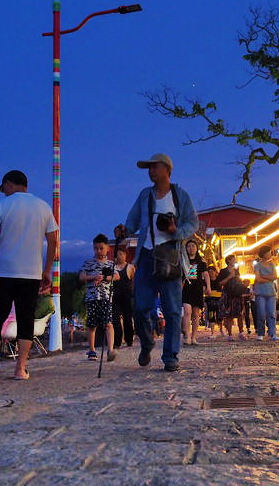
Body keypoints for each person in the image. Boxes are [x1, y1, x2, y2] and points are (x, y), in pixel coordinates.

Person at [115, 153, 198, 372]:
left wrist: (175, 231)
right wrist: (124, 230)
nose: (150, 171)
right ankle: (147, 342)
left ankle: (170, 356)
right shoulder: (145, 195)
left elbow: (193, 223)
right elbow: (132, 222)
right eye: (148, 168)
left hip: (171, 255)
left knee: (171, 311)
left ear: (167, 169)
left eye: (154, 167)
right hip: (147, 256)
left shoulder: (180, 195)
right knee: (141, 308)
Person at [0, 170, 57, 381]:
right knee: (26, 319)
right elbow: (52, 241)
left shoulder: (1, 206)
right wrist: (47, 270)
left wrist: (6, 244)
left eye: (4, 187)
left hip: (3, 270)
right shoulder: (43, 207)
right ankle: (20, 368)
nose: (3, 192)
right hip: (31, 273)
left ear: (9, 184)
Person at [79, 234, 119, 362]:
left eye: (101, 248)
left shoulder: (110, 264)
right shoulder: (88, 263)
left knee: (108, 323)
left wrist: (104, 278)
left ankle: (110, 349)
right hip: (92, 298)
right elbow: (82, 276)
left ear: (107, 248)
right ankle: (92, 350)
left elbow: (117, 276)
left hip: (106, 298)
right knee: (92, 324)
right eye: (96, 248)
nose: (98, 251)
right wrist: (93, 277)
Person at [182, 240, 211, 345]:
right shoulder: (183, 260)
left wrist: (208, 287)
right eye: (188, 246)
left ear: (197, 248)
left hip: (197, 289)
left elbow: (206, 275)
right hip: (186, 289)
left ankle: (194, 337)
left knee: (195, 313)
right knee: (187, 312)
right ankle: (187, 336)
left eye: (193, 246)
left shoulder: (201, 261)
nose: (191, 248)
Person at [217, 255, 248, 340]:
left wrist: (243, 285)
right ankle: (230, 334)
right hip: (228, 294)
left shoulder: (236, 271)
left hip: (237, 294)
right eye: (234, 259)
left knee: (240, 314)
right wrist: (229, 277)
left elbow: (239, 281)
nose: (236, 261)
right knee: (229, 315)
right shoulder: (223, 271)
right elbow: (220, 283)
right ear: (229, 261)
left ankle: (241, 332)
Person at [252, 245, 279, 341]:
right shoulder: (257, 265)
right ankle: (260, 333)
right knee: (261, 313)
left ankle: (273, 333)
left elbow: (275, 276)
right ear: (264, 253)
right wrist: (269, 277)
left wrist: (264, 277)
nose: (270, 254)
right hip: (260, 292)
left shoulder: (272, 265)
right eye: (269, 252)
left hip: (271, 292)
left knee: (271, 314)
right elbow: (257, 279)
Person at [112, 247, 135, 348]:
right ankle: (117, 342)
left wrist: (134, 294)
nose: (119, 256)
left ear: (125, 255)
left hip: (127, 296)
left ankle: (129, 340)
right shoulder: (113, 267)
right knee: (115, 319)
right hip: (115, 296)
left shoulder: (130, 267)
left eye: (121, 254)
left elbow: (134, 281)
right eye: (118, 254)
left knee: (127, 319)